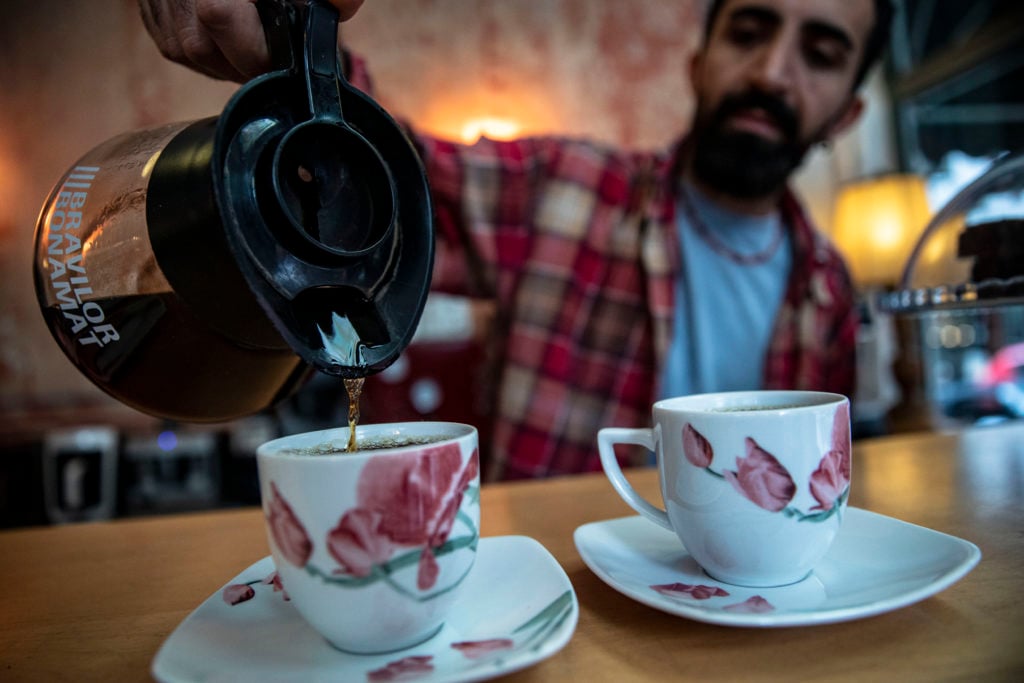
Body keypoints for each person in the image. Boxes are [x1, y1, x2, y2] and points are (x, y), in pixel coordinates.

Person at [139, 0, 894, 480]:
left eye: (820, 53)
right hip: (556, 610)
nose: (771, 71)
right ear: (698, 66)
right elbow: (382, 176)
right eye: (751, 32)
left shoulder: (829, 290)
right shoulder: (568, 188)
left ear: (848, 117)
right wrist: (286, 46)